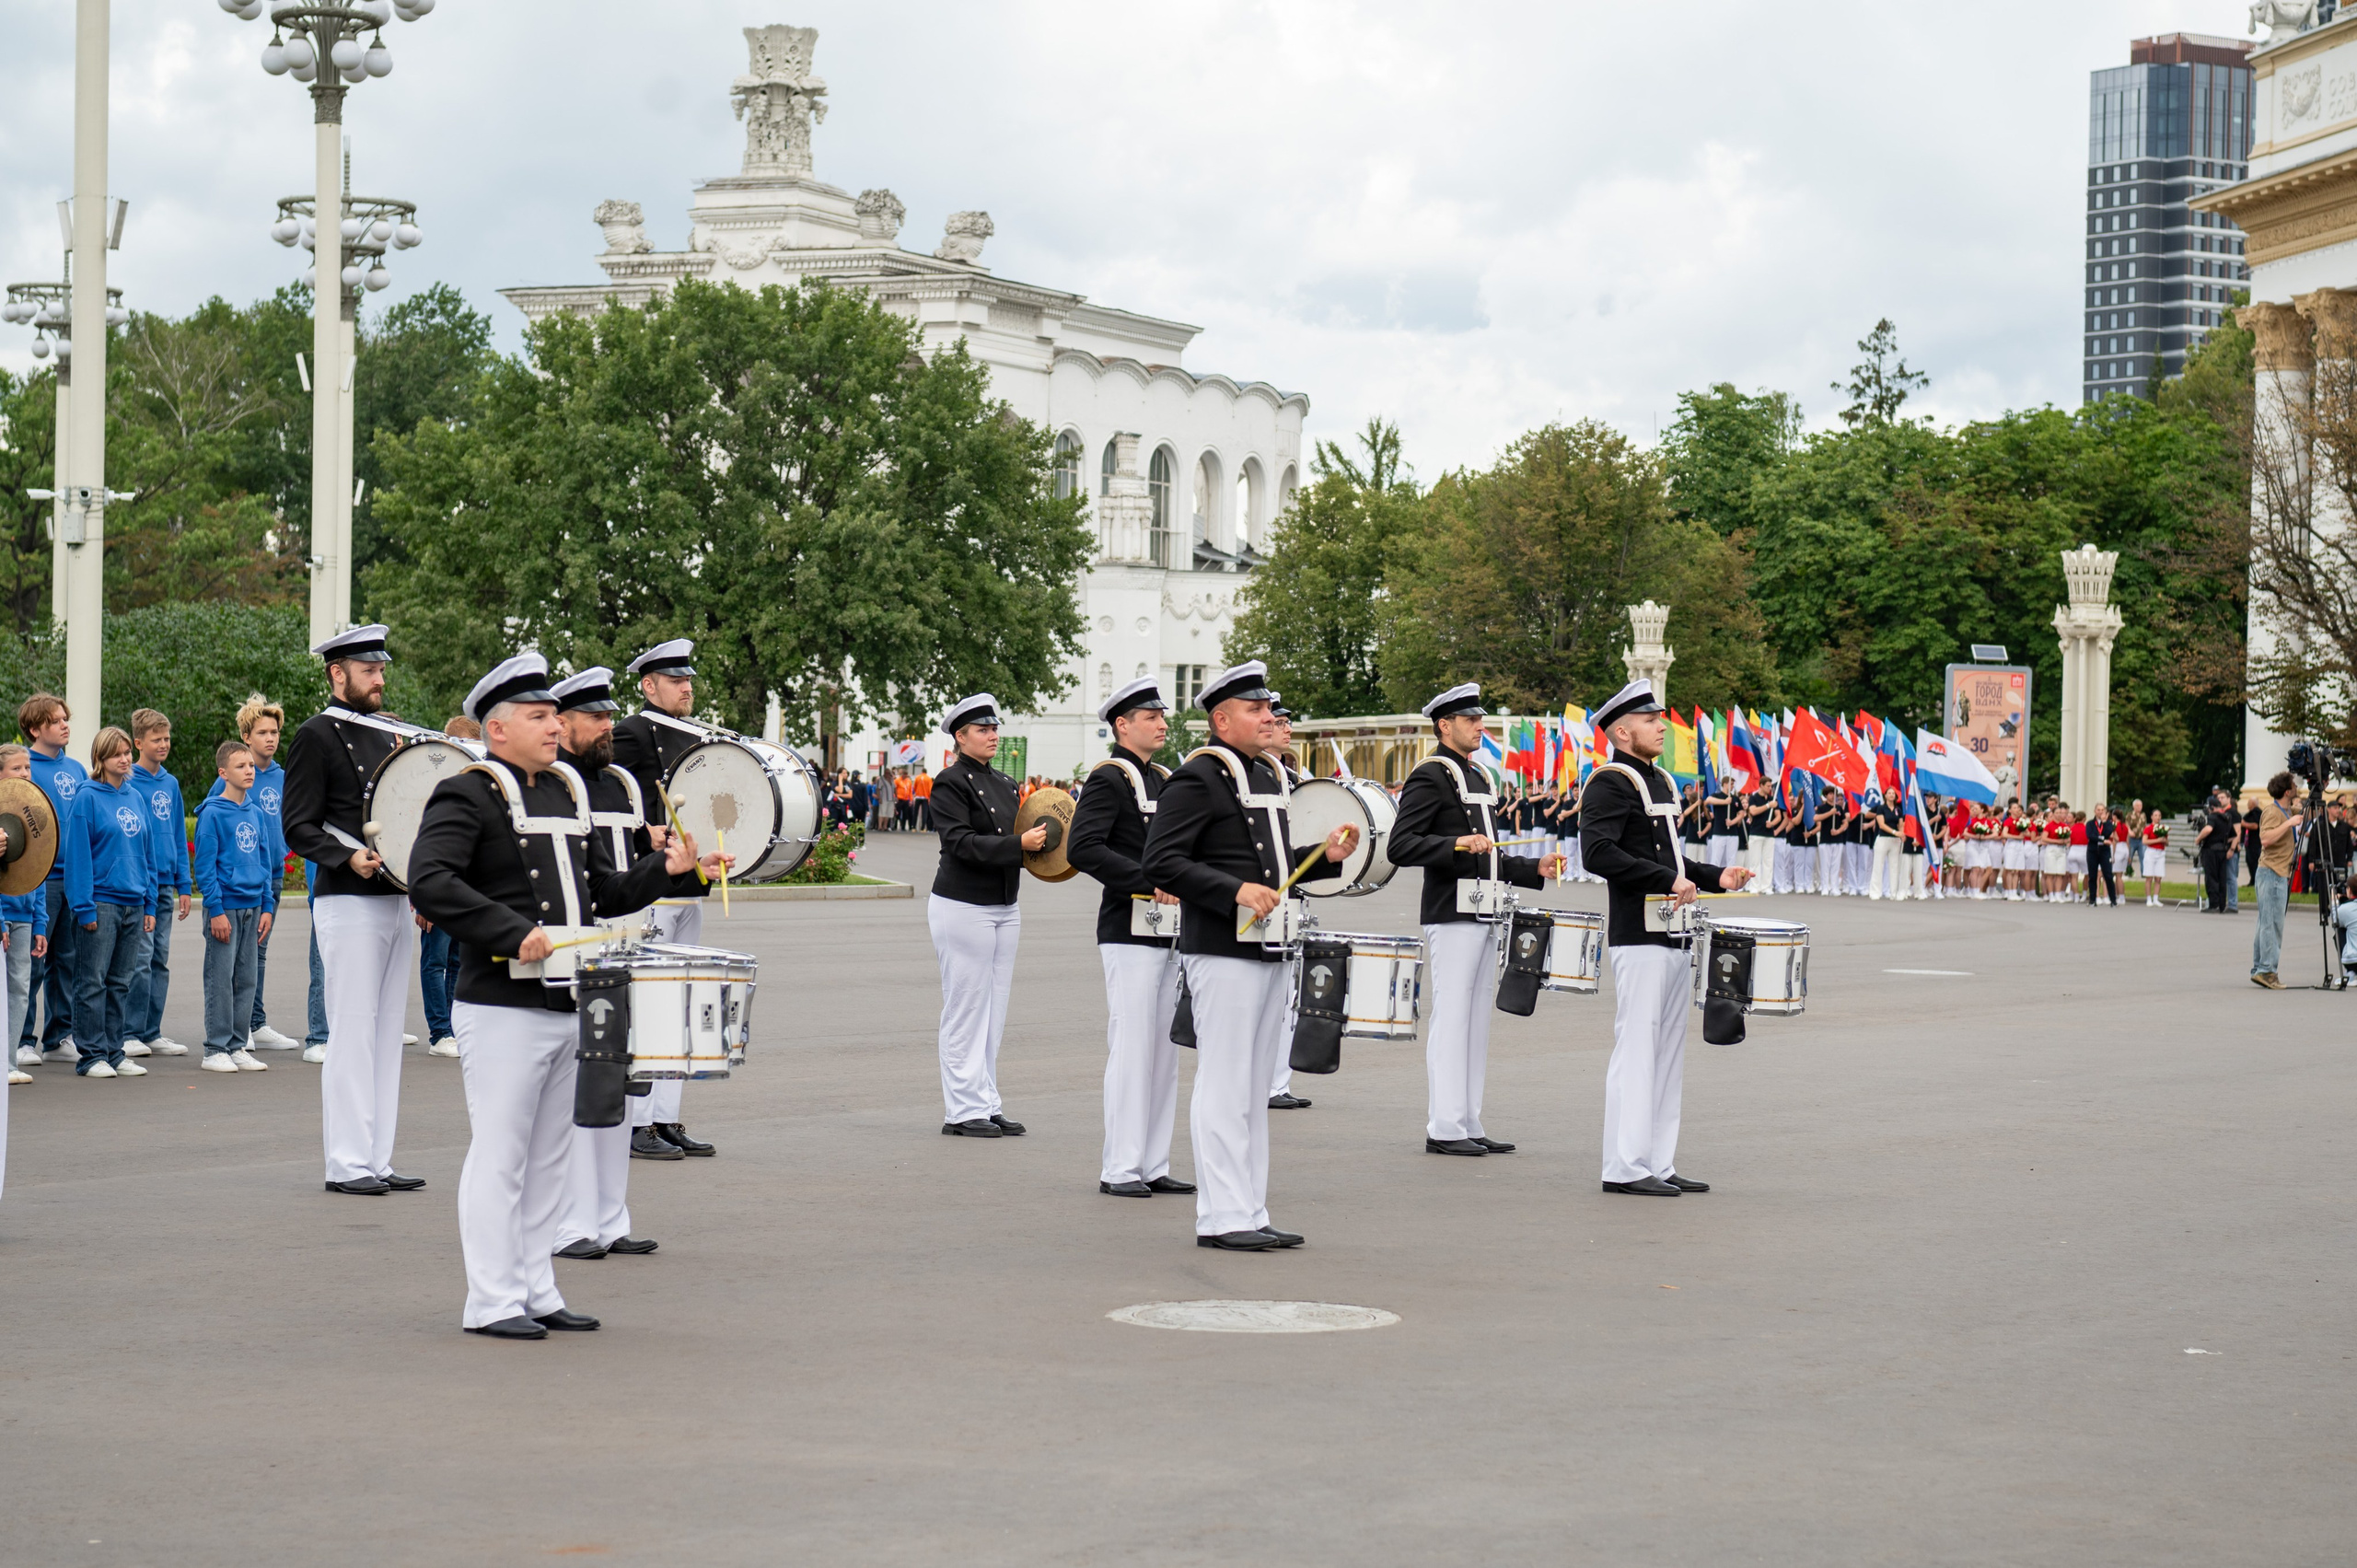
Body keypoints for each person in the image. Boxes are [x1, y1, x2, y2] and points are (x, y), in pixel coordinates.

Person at [407, 654, 724, 1338]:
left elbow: (601, 893)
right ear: (497, 729)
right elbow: (429, 879)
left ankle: (536, 1286)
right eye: (539, 716)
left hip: (567, 1000)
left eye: (555, 715)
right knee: (501, 1152)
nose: (555, 726)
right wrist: (510, 930)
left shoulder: (566, 791)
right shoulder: (467, 792)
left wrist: (663, 870)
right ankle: (490, 1298)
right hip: (499, 1005)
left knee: (551, 1155)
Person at [1141, 661, 1353, 1249]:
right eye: (1256, 710)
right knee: (1226, 1081)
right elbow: (1161, 862)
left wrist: (1324, 853)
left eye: (1269, 709)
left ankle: (1250, 1208)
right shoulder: (1199, 777)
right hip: (1223, 949)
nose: (1269, 718)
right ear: (1221, 718)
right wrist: (1232, 891)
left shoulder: (1269, 775)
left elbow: (1270, 858)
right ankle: (1221, 1217)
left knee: (1255, 1084)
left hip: (1272, 945)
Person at [1579, 679, 1750, 1197]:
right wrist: (1665, 880)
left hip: (1674, 935)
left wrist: (1715, 875)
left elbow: (1671, 861)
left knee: (1668, 1050)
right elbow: (1598, 854)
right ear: (1622, 731)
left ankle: (1657, 1159)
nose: (1661, 726)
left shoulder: (1660, 782)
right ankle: (1624, 1165)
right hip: (1638, 935)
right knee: (1637, 1048)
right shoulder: (1609, 781)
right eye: (1651, 720)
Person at [1387, 682, 1565, 1156]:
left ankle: (1468, 1118)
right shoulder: (1430, 775)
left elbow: (1490, 855)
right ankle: (1444, 1125)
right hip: (1450, 914)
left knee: (1475, 1022)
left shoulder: (1480, 776)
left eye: (1480, 719)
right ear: (1445, 726)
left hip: (1485, 911)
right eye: (1471, 720)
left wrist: (1533, 869)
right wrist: (1454, 844)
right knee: (1452, 1016)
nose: (1480, 727)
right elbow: (1400, 845)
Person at [283, 625, 425, 1195]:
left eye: (381, 668)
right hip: (348, 898)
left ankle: (377, 1157)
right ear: (337, 673)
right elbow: (298, 825)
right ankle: (346, 1161)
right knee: (352, 1030)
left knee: (389, 1032)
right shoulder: (316, 735)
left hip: (396, 897)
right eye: (369, 670)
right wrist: (348, 856)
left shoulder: (391, 733)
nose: (380, 678)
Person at [549, 668, 671, 1255]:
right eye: (595, 718)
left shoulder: (622, 781)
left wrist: (674, 864)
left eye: (608, 716)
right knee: (581, 1088)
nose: (608, 727)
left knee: (621, 1087)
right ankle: (571, 1223)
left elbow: (620, 875)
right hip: (578, 951)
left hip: (627, 947)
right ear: (563, 722)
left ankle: (610, 1218)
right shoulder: (555, 784)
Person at [1065, 676, 1194, 1200]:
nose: (1163, 723)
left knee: (1166, 1051)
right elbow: (1084, 848)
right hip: (1127, 929)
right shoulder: (1109, 779)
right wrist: (1150, 882)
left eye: (1162, 716)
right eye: (1150, 717)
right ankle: (1120, 1166)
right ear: (1122, 725)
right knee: (1133, 1045)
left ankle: (1153, 1162)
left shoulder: (1165, 779)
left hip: (1171, 931)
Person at [609, 638, 717, 1159]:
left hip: (689, 887)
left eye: (688, 679)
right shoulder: (631, 733)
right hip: (652, 886)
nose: (687, 687)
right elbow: (613, 803)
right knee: (648, 1005)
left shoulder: (696, 736)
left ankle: (666, 1118)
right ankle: (635, 1123)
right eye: (676, 680)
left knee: (680, 1006)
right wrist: (643, 832)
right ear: (649, 686)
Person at [927, 693, 1047, 1138]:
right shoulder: (949, 782)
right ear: (961, 737)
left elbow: (1025, 836)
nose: (994, 735)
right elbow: (959, 841)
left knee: (993, 1011)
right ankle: (961, 1110)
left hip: (1003, 904)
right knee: (966, 1007)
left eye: (995, 728)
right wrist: (1019, 847)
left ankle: (986, 1100)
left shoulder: (1004, 782)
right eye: (983, 729)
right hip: (962, 905)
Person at [62, 726, 159, 1079]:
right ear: (100, 759)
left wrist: (149, 903)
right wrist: (84, 906)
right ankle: (91, 1055)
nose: (125, 759)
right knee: (92, 982)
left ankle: (114, 1052)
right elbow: (78, 857)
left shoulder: (135, 797)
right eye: (116, 754)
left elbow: (147, 853)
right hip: (101, 904)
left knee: (120, 983)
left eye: (126, 753)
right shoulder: (86, 797)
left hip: (134, 902)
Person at [205, 696, 296, 1052]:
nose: (270, 738)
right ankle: (235, 1031)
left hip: (270, 875)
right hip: (235, 886)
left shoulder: (282, 776)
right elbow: (217, 827)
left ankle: (252, 1023)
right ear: (246, 736)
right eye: (262, 732)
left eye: (274, 732)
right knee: (233, 961)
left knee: (256, 955)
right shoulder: (230, 778)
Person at [193, 740, 274, 1074]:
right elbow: (205, 867)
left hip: (253, 907)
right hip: (225, 909)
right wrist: (215, 910)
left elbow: (265, 860)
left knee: (247, 979)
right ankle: (216, 1048)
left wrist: (267, 904)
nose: (249, 771)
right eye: (241, 766)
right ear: (223, 772)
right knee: (220, 978)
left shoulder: (255, 812)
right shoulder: (212, 813)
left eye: (251, 766)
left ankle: (238, 1045)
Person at [15, 693, 85, 1067]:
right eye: (56, 720)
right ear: (35, 728)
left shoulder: (75, 769)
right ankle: (23, 1039)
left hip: (73, 877)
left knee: (67, 961)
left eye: (65, 719)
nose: (64, 725)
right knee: (34, 962)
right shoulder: (24, 769)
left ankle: (59, 1037)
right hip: (40, 879)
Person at [123, 710, 192, 1059]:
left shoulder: (171, 783)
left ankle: (152, 1031)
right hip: (141, 885)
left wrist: (184, 884)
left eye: (166, 738)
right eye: (156, 739)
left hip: (167, 885)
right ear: (138, 743)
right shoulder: (129, 781)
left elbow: (178, 836)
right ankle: (130, 1031)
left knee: (159, 959)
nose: (164, 744)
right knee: (140, 957)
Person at [418, 714, 480, 1060]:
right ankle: (439, 1031)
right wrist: (422, 897)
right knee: (435, 960)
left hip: (466, 887)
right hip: (440, 885)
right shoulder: (434, 785)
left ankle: (455, 1029)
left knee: (458, 960)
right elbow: (418, 842)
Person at [1265, 699, 1313, 1111]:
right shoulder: (1255, 775)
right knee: (1265, 996)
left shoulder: (1297, 778)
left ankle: (1278, 1081)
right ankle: (1264, 1082)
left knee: (1288, 995)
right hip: (1262, 896)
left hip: (1294, 890)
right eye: (1278, 722)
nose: (1286, 729)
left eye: (1287, 722)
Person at [1, 745, 48, 1090]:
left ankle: (9, 1060)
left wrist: (40, 922)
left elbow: (38, 870)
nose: (26, 774)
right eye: (18, 768)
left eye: (28, 767)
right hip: (3, 918)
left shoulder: (33, 809)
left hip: (25, 916)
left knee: (20, 991)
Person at [2249, 772, 2301, 990]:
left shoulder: (2285, 810)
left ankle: (2260, 968)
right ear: (2287, 791)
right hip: (2272, 873)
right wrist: (2289, 823)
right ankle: (2267, 972)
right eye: (2294, 784)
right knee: (2272, 924)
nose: (2297, 786)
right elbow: (2266, 839)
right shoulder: (2273, 811)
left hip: (2275, 873)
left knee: (2266, 922)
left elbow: (2308, 809)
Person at [2196, 789, 2237, 913]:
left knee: (2211, 877)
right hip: (2222, 851)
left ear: (2212, 807)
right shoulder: (2227, 818)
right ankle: (2221, 905)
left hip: (2211, 851)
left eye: (2209, 808)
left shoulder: (2212, 817)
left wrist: (2198, 839)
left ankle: (2213, 905)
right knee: (2222, 878)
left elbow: (2208, 830)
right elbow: (2233, 836)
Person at [1867, 789, 1903, 900]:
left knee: (1894, 866)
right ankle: (1875, 892)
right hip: (1883, 839)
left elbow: (1900, 824)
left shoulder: (1898, 809)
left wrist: (1900, 833)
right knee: (1878, 866)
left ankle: (1893, 893)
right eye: (1889, 793)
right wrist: (1894, 832)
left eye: (1893, 793)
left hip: (1895, 841)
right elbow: (1881, 825)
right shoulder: (1881, 808)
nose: (1891, 795)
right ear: (1885, 796)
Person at [2085, 804, 2119, 906]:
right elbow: (2090, 835)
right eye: (2098, 810)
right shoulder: (2090, 823)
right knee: (2092, 876)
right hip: (2092, 851)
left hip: (2104, 851)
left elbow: (2107, 833)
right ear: (2095, 811)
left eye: (2102, 810)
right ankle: (2092, 900)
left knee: (2108, 875)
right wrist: (2103, 840)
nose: (2100, 812)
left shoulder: (2109, 824)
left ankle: (2113, 900)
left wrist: (2104, 823)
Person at [2141, 808, 2169, 904]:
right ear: (2152, 817)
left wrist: (2165, 841)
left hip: (2160, 853)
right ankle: (2149, 898)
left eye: (2159, 816)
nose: (2158, 817)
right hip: (2151, 852)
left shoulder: (2163, 828)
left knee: (2158, 877)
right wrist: (2158, 840)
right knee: (2149, 877)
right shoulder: (2148, 828)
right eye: (2156, 815)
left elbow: (2166, 842)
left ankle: (2156, 898)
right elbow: (2144, 841)